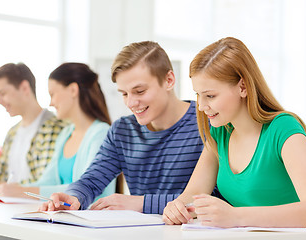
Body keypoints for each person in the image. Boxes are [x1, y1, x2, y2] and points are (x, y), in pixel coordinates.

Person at [162, 37, 306, 228]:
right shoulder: (220, 133)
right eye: (198, 95)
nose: (202, 106)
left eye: (210, 95)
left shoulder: (284, 129)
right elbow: (193, 194)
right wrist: (178, 207)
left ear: (243, 87)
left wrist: (236, 217)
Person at [39, 41, 204, 214]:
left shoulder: (206, 124)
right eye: (124, 94)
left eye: (139, 91)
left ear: (169, 80)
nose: (131, 103)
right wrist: (74, 196)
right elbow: (92, 180)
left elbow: (211, 199)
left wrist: (140, 203)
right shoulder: (123, 130)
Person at [0, 63, 116, 199]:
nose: (50, 103)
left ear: (73, 90)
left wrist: (21, 192)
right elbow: (46, 182)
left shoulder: (101, 133)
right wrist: (17, 190)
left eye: (52, 94)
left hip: (89, 218)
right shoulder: (66, 134)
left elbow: (88, 188)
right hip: (65, 217)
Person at [0, 63, 66, 198]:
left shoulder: (55, 128)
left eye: (3, 93)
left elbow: (45, 181)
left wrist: (6, 188)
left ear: (24, 88)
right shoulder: (12, 132)